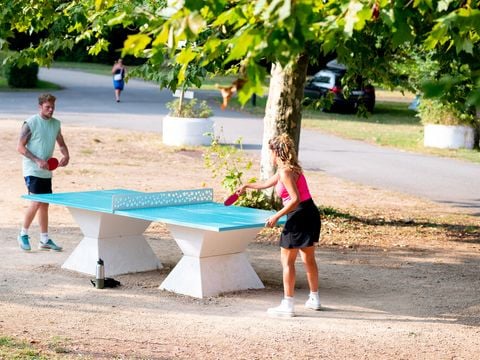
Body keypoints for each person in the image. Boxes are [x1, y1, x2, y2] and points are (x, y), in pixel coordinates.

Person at [236, 133, 321, 317]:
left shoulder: (285, 172)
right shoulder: (291, 168)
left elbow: (295, 199)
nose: (269, 155)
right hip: (310, 212)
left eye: (270, 152)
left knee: (287, 261)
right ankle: (314, 298)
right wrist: (246, 186)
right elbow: (267, 183)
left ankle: (288, 304)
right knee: (308, 259)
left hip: (299, 215)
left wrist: (276, 216)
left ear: (277, 152)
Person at [16, 93, 70, 252]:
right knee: (36, 201)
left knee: (45, 205)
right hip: (32, 169)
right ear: (40, 106)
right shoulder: (31, 123)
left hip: (47, 170)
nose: (51, 110)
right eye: (48, 107)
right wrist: (37, 160)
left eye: (53, 107)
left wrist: (66, 155)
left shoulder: (56, 124)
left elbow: (61, 143)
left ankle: (44, 239)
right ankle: (23, 234)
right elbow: (20, 147)